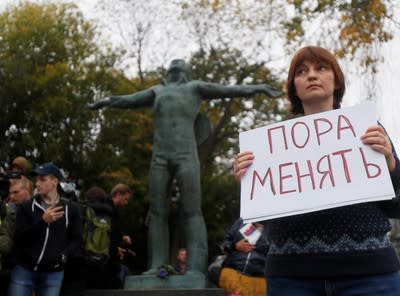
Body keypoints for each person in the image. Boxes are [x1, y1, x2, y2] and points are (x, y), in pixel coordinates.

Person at [233, 46, 400, 296]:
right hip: (291, 279)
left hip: (371, 274)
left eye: (321, 68)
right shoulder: (268, 148)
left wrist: (390, 164)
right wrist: (248, 182)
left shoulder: (368, 130)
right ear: (294, 88)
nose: (311, 76)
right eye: (301, 71)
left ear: (336, 81)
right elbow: (259, 220)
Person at [88, 59, 283, 275]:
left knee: (192, 211)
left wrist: (258, 88)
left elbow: (229, 89)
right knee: (157, 212)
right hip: (160, 157)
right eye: (172, 67)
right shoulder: (157, 90)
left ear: (184, 72)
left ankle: (195, 269)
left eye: (178, 67)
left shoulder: (195, 87)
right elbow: (130, 100)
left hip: (186, 156)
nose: (174, 69)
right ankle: (156, 266)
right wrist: (106, 101)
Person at [8, 162, 83, 296]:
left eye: (42, 180)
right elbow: (18, 237)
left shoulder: (71, 209)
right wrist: (43, 222)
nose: (37, 184)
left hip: (53, 273)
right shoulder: (26, 207)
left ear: (55, 181)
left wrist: (63, 256)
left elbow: (77, 239)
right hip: (24, 269)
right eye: (37, 180)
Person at [218, 218, 268, 296]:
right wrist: (235, 246)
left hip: (259, 280)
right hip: (233, 274)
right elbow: (224, 245)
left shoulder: (273, 226)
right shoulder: (241, 221)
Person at [0, 176, 33, 294]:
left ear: (27, 191)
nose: (12, 197)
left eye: (16, 192)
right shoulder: (9, 212)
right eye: (10, 193)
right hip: (16, 266)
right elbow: (6, 243)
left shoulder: (41, 211)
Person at [104, 183, 132, 289]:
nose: (126, 203)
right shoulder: (110, 210)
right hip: (108, 258)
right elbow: (108, 235)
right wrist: (115, 249)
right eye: (125, 199)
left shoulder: (105, 208)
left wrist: (121, 237)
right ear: (118, 194)